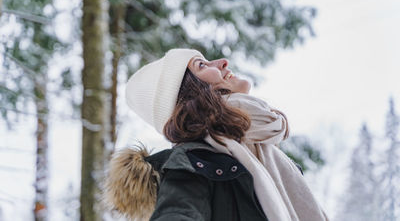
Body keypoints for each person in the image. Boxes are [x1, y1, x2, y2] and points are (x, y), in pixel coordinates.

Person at [105, 48, 329, 221]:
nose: (223, 62)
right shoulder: (195, 161)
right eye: (201, 65)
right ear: (188, 92)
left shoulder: (265, 156)